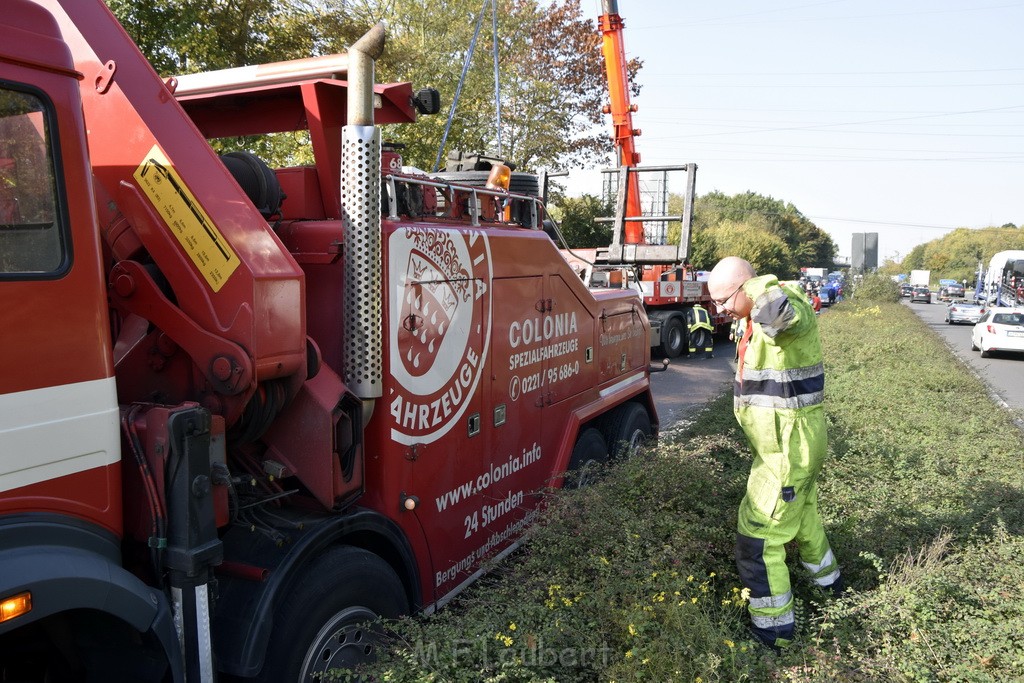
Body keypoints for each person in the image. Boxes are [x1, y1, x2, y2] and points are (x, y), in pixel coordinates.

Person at [706, 256, 841, 651]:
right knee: (803, 521)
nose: (720, 310)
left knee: (758, 537)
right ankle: (831, 589)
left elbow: (783, 319)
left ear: (746, 287)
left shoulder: (782, 302)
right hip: (784, 448)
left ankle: (773, 633)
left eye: (724, 300)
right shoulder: (753, 314)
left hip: (787, 451)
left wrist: (753, 286)